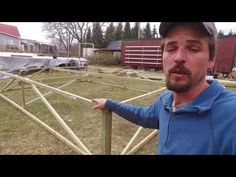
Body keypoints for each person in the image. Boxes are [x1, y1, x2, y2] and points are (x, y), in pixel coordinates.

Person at [92, 22, 236, 155]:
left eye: (193, 49)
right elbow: (142, 115)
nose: (179, 57)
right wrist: (109, 103)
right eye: (171, 48)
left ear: (211, 59)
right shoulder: (166, 101)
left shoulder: (230, 115)